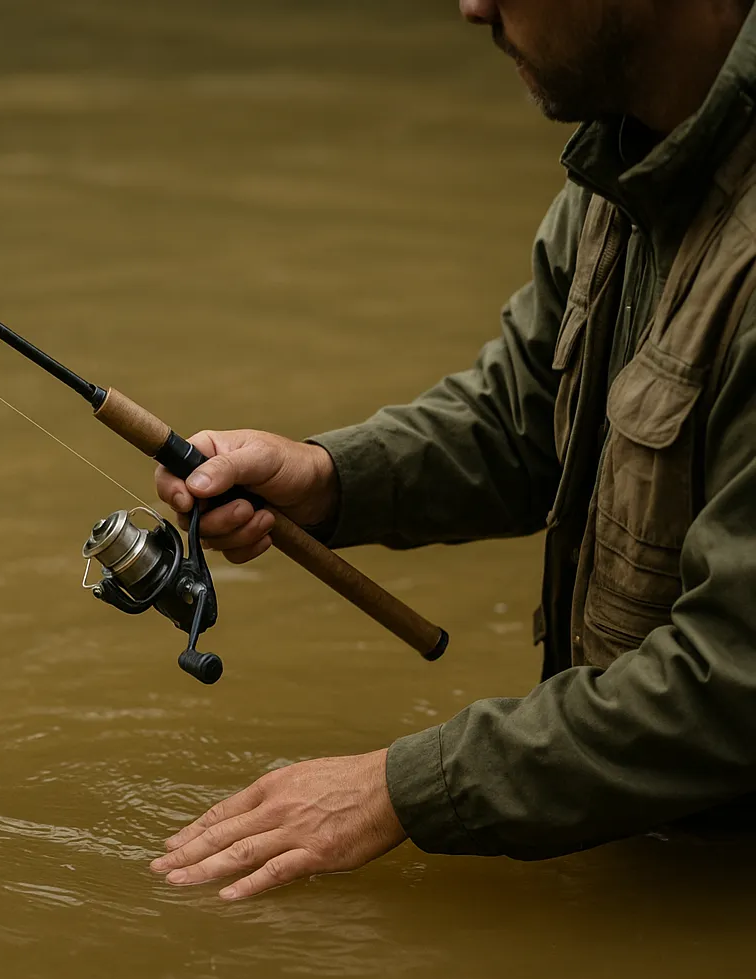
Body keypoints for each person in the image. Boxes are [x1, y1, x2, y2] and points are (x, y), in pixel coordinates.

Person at [149, 0, 756, 901]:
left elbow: (734, 683)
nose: (471, 5)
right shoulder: (629, 153)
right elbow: (522, 415)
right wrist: (325, 476)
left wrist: (401, 790)